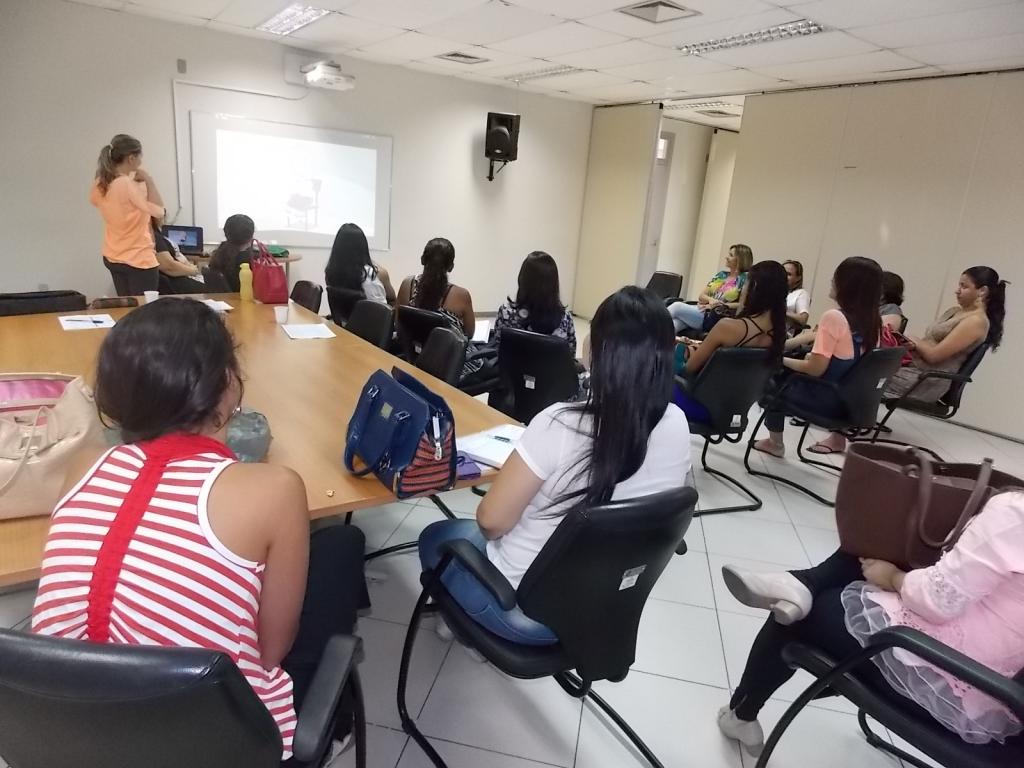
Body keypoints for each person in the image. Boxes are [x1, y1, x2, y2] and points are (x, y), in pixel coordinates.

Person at [30, 299, 368, 765]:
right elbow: (271, 652)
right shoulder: (275, 489)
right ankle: (332, 729)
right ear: (228, 384)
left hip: (68, 738)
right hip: (215, 745)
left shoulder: (83, 467)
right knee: (341, 547)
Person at [417, 287, 692, 645]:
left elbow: (491, 523)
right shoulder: (677, 423)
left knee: (436, 536)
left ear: (599, 351)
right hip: (603, 608)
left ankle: (466, 627)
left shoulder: (559, 424)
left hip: (521, 610)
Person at [716, 490, 1024, 757]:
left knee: (804, 613)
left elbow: (937, 600)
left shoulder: (1014, 513)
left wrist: (893, 578)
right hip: (1004, 691)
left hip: (956, 680)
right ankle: (802, 582)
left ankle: (741, 715)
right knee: (880, 553)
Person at [752, 256, 882, 457]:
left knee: (769, 382)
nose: (832, 281)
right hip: (851, 402)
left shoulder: (834, 317)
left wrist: (778, 359)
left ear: (847, 285)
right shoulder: (872, 321)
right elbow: (835, 353)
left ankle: (775, 443)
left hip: (825, 401)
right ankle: (837, 439)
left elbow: (815, 369)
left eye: (836, 277)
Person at [672, 261, 787, 425]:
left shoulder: (729, 327)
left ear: (754, 287)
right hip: (734, 412)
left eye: (745, 284)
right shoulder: (779, 335)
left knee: (664, 361)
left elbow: (688, 370)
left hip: (700, 407)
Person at [885, 266, 1007, 404]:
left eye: (964, 286)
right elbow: (929, 343)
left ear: (982, 291)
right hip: (911, 368)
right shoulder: (954, 311)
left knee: (869, 375)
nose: (957, 290)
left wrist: (913, 339)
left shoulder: (976, 321)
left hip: (925, 381)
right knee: (870, 367)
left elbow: (934, 356)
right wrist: (913, 345)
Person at [90, 134, 166, 296]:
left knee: (126, 305)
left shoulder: (101, 183)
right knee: (144, 307)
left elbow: (97, 201)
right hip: (138, 258)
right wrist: (148, 180)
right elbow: (159, 211)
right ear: (131, 158)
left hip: (113, 255)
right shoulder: (125, 183)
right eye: (140, 157)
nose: (141, 161)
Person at [494, 251, 576, 350]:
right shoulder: (565, 319)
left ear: (522, 280)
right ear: (554, 285)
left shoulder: (506, 314)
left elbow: (498, 348)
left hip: (513, 360)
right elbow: (570, 354)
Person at [397, 237, 475, 338]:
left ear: (422, 260)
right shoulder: (462, 295)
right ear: (451, 267)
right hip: (445, 348)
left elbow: (397, 323)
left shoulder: (407, 284)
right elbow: (469, 333)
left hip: (408, 347)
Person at [668, 244, 753, 335]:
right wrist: (711, 300)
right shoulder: (721, 275)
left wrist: (719, 305)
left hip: (715, 316)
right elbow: (701, 296)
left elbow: (743, 304)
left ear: (740, 260)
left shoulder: (746, 279)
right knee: (674, 324)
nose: (727, 257)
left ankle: (655, 320)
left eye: (731, 255)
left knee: (677, 306)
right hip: (702, 310)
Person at [325, 223, 396, 306]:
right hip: (374, 314)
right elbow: (393, 300)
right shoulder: (379, 273)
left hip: (343, 314)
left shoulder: (331, 272)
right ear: (363, 246)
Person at [152, 219, 205, 294]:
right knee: (211, 289)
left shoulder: (157, 236)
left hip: (177, 277)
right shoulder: (154, 237)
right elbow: (169, 266)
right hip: (173, 282)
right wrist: (193, 271)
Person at [208, 214, 256, 293]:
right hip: (242, 299)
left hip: (226, 299)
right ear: (251, 235)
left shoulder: (219, 254)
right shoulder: (253, 260)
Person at [783, 260, 811, 333]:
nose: (783, 276)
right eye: (782, 273)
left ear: (798, 278)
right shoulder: (773, 290)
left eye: (788, 274)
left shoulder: (801, 293)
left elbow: (803, 319)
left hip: (784, 334)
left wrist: (781, 311)